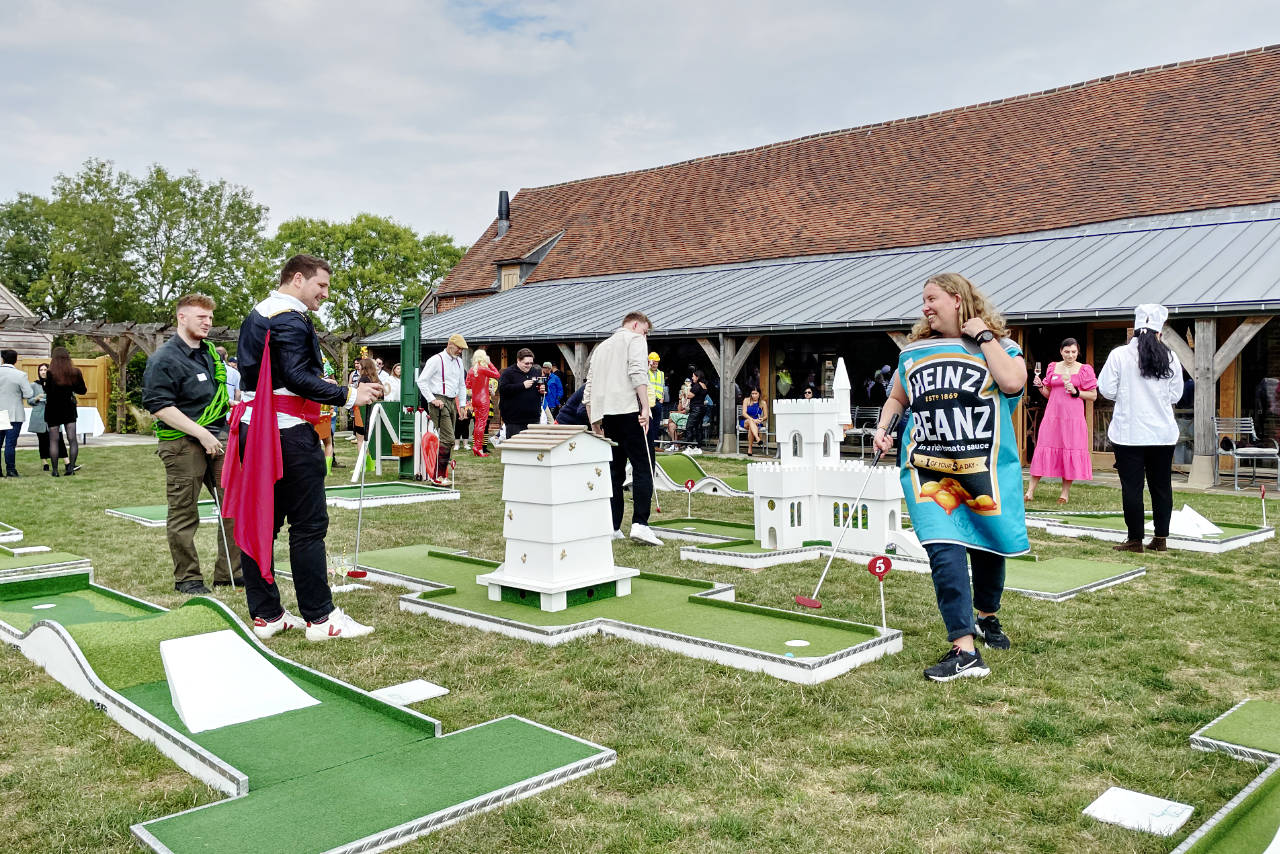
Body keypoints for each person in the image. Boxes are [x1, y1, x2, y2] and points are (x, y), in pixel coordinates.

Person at [873, 272, 1028, 682]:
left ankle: (986, 616)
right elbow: (897, 396)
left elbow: (1013, 383)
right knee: (944, 551)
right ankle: (964, 649)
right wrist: (884, 427)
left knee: (989, 549)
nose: (925, 306)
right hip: (929, 466)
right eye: (923, 300)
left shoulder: (1000, 346)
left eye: (931, 298)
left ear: (958, 299)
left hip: (982, 469)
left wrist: (983, 337)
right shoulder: (915, 352)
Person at [223, 254, 382, 641]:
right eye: (321, 286)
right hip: (286, 434)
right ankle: (320, 618)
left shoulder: (258, 314)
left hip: (253, 431)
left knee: (263, 522)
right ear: (297, 279)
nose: (325, 294)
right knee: (309, 526)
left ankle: (267, 615)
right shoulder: (289, 318)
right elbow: (295, 377)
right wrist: (349, 395)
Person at [143, 294, 243, 594]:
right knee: (185, 513)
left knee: (234, 506)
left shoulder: (210, 354)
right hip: (183, 443)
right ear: (181, 318)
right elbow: (159, 405)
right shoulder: (164, 358)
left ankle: (231, 574)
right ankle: (188, 578)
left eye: (210, 318)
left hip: (219, 436)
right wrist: (201, 433)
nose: (207, 322)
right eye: (201, 317)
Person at [1097, 304, 1184, 553]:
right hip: (1162, 432)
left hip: (1129, 432)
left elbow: (1107, 389)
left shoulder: (1119, 355)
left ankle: (1135, 539)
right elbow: (1176, 394)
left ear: (1134, 328)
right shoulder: (1170, 356)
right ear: (1160, 331)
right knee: (1161, 485)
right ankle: (1161, 539)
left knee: (1132, 487)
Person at [585, 311, 663, 546]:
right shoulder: (636, 339)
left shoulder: (601, 348)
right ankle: (640, 523)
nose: (646, 335)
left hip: (607, 416)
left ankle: (612, 526)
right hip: (630, 410)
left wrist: (594, 421)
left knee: (615, 471)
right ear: (636, 324)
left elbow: (589, 387)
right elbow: (638, 372)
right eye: (646, 330)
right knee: (643, 467)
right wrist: (646, 408)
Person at [1026, 338, 1097, 503]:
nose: (1070, 355)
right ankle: (1030, 491)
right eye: (1067, 352)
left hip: (1073, 418)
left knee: (1068, 450)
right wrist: (1040, 387)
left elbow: (1093, 395)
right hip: (1052, 416)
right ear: (1061, 351)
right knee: (1044, 447)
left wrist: (1077, 392)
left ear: (1078, 352)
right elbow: (1049, 394)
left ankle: (1064, 494)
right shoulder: (1053, 367)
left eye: (1073, 352)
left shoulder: (1084, 370)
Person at [416, 334, 468, 481]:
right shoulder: (435, 360)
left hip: (452, 400)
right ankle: (437, 475)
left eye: (462, 349)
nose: (460, 351)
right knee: (449, 438)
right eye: (459, 348)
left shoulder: (459, 362)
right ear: (450, 344)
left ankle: (441, 473)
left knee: (448, 439)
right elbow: (421, 381)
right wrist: (432, 400)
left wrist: (462, 405)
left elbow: (462, 385)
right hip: (439, 400)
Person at [45, 347, 87, 476]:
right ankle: (70, 469)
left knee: (53, 440)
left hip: (52, 408)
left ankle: (55, 470)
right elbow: (83, 390)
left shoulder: (50, 373)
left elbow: (48, 392)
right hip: (68, 407)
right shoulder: (74, 372)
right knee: (72, 439)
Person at [0, 349, 34, 477]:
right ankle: (10, 469)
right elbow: (29, 394)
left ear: (2, 359)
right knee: (10, 443)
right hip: (13, 413)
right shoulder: (20, 375)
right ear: (15, 360)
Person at [498, 348, 543, 440]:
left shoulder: (535, 371)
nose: (529, 366)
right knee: (516, 450)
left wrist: (542, 391)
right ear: (518, 360)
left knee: (533, 450)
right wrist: (522, 386)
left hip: (533, 418)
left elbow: (540, 387)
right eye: (526, 363)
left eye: (531, 363)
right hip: (514, 420)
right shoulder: (508, 373)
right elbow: (502, 389)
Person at [465, 349, 501, 456]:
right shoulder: (483, 369)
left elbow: (467, 386)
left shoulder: (471, 370)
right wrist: (489, 363)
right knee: (482, 424)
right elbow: (497, 374)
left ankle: (477, 447)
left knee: (477, 424)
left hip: (475, 399)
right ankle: (479, 448)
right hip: (484, 399)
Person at [29, 364, 57, 471]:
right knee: (42, 440)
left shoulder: (54, 383)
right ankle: (44, 462)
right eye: (41, 370)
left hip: (52, 415)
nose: (43, 372)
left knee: (54, 439)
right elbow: (29, 401)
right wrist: (36, 398)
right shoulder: (34, 385)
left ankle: (56, 460)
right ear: (38, 372)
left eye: (45, 370)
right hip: (39, 416)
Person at [646, 352, 665, 461]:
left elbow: (662, 386)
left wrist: (662, 397)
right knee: (649, 422)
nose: (655, 364)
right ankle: (649, 444)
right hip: (648, 401)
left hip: (657, 401)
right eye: (654, 362)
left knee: (656, 424)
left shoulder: (661, 374)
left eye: (657, 362)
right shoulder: (646, 372)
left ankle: (655, 445)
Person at [685, 369, 709, 448]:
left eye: (693, 376)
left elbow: (689, 396)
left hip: (696, 408)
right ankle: (698, 445)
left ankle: (689, 445)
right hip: (701, 408)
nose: (692, 378)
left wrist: (687, 389)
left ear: (697, 377)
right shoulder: (704, 385)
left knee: (689, 426)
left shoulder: (697, 385)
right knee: (698, 427)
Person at [740, 388, 768, 455]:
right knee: (750, 421)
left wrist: (762, 419)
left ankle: (750, 449)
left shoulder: (763, 403)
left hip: (757, 422)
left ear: (759, 394)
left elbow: (766, 416)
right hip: (746, 421)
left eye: (756, 393)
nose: (754, 395)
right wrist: (752, 420)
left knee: (751, 428)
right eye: (752, 393)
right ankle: (757, 438)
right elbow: (744, 413)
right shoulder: (746, 400)